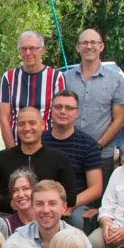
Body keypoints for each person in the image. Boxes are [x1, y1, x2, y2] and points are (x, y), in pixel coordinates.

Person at [62, 28, 124, 169]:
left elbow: (119, 120)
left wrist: (97, 146)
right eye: (84, 43)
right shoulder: (65, 79)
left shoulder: (116, 80)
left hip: (102, 154)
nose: (89, 46)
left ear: (101, 46)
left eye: (94, 42)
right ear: (78, 47)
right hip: (68, 152)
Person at [40, 90, 104, 225]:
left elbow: (96, 188)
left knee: (77, 220)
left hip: (76, 205)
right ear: (51, 111)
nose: (63, 111)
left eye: (69, 108)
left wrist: (69, 204)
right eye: (58, 107)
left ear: (77, 113)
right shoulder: (39, 141)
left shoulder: (88, 145)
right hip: (41, 201)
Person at [0, 31, 71, 152]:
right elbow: (4, 117)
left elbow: (59, 116)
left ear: (42, 50)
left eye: (32, 48)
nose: (28, 53)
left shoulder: (55, 77)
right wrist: (12, 151)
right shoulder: (9, 77)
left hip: (47, 148)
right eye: (23, 49)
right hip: (17, 146)